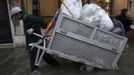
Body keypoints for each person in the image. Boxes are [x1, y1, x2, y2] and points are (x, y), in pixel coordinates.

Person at [11, 7, 59, 75]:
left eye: (15, 16)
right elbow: (35, 22)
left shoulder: (26, 17)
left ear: (18, 14)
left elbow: (38, 20)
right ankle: (56, 64)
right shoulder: (24, 18)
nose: (15, 18)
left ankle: (34, 71)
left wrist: (32, 28)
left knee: (32, 55)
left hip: (35, 40)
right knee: (43, 54)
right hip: (36, 39)